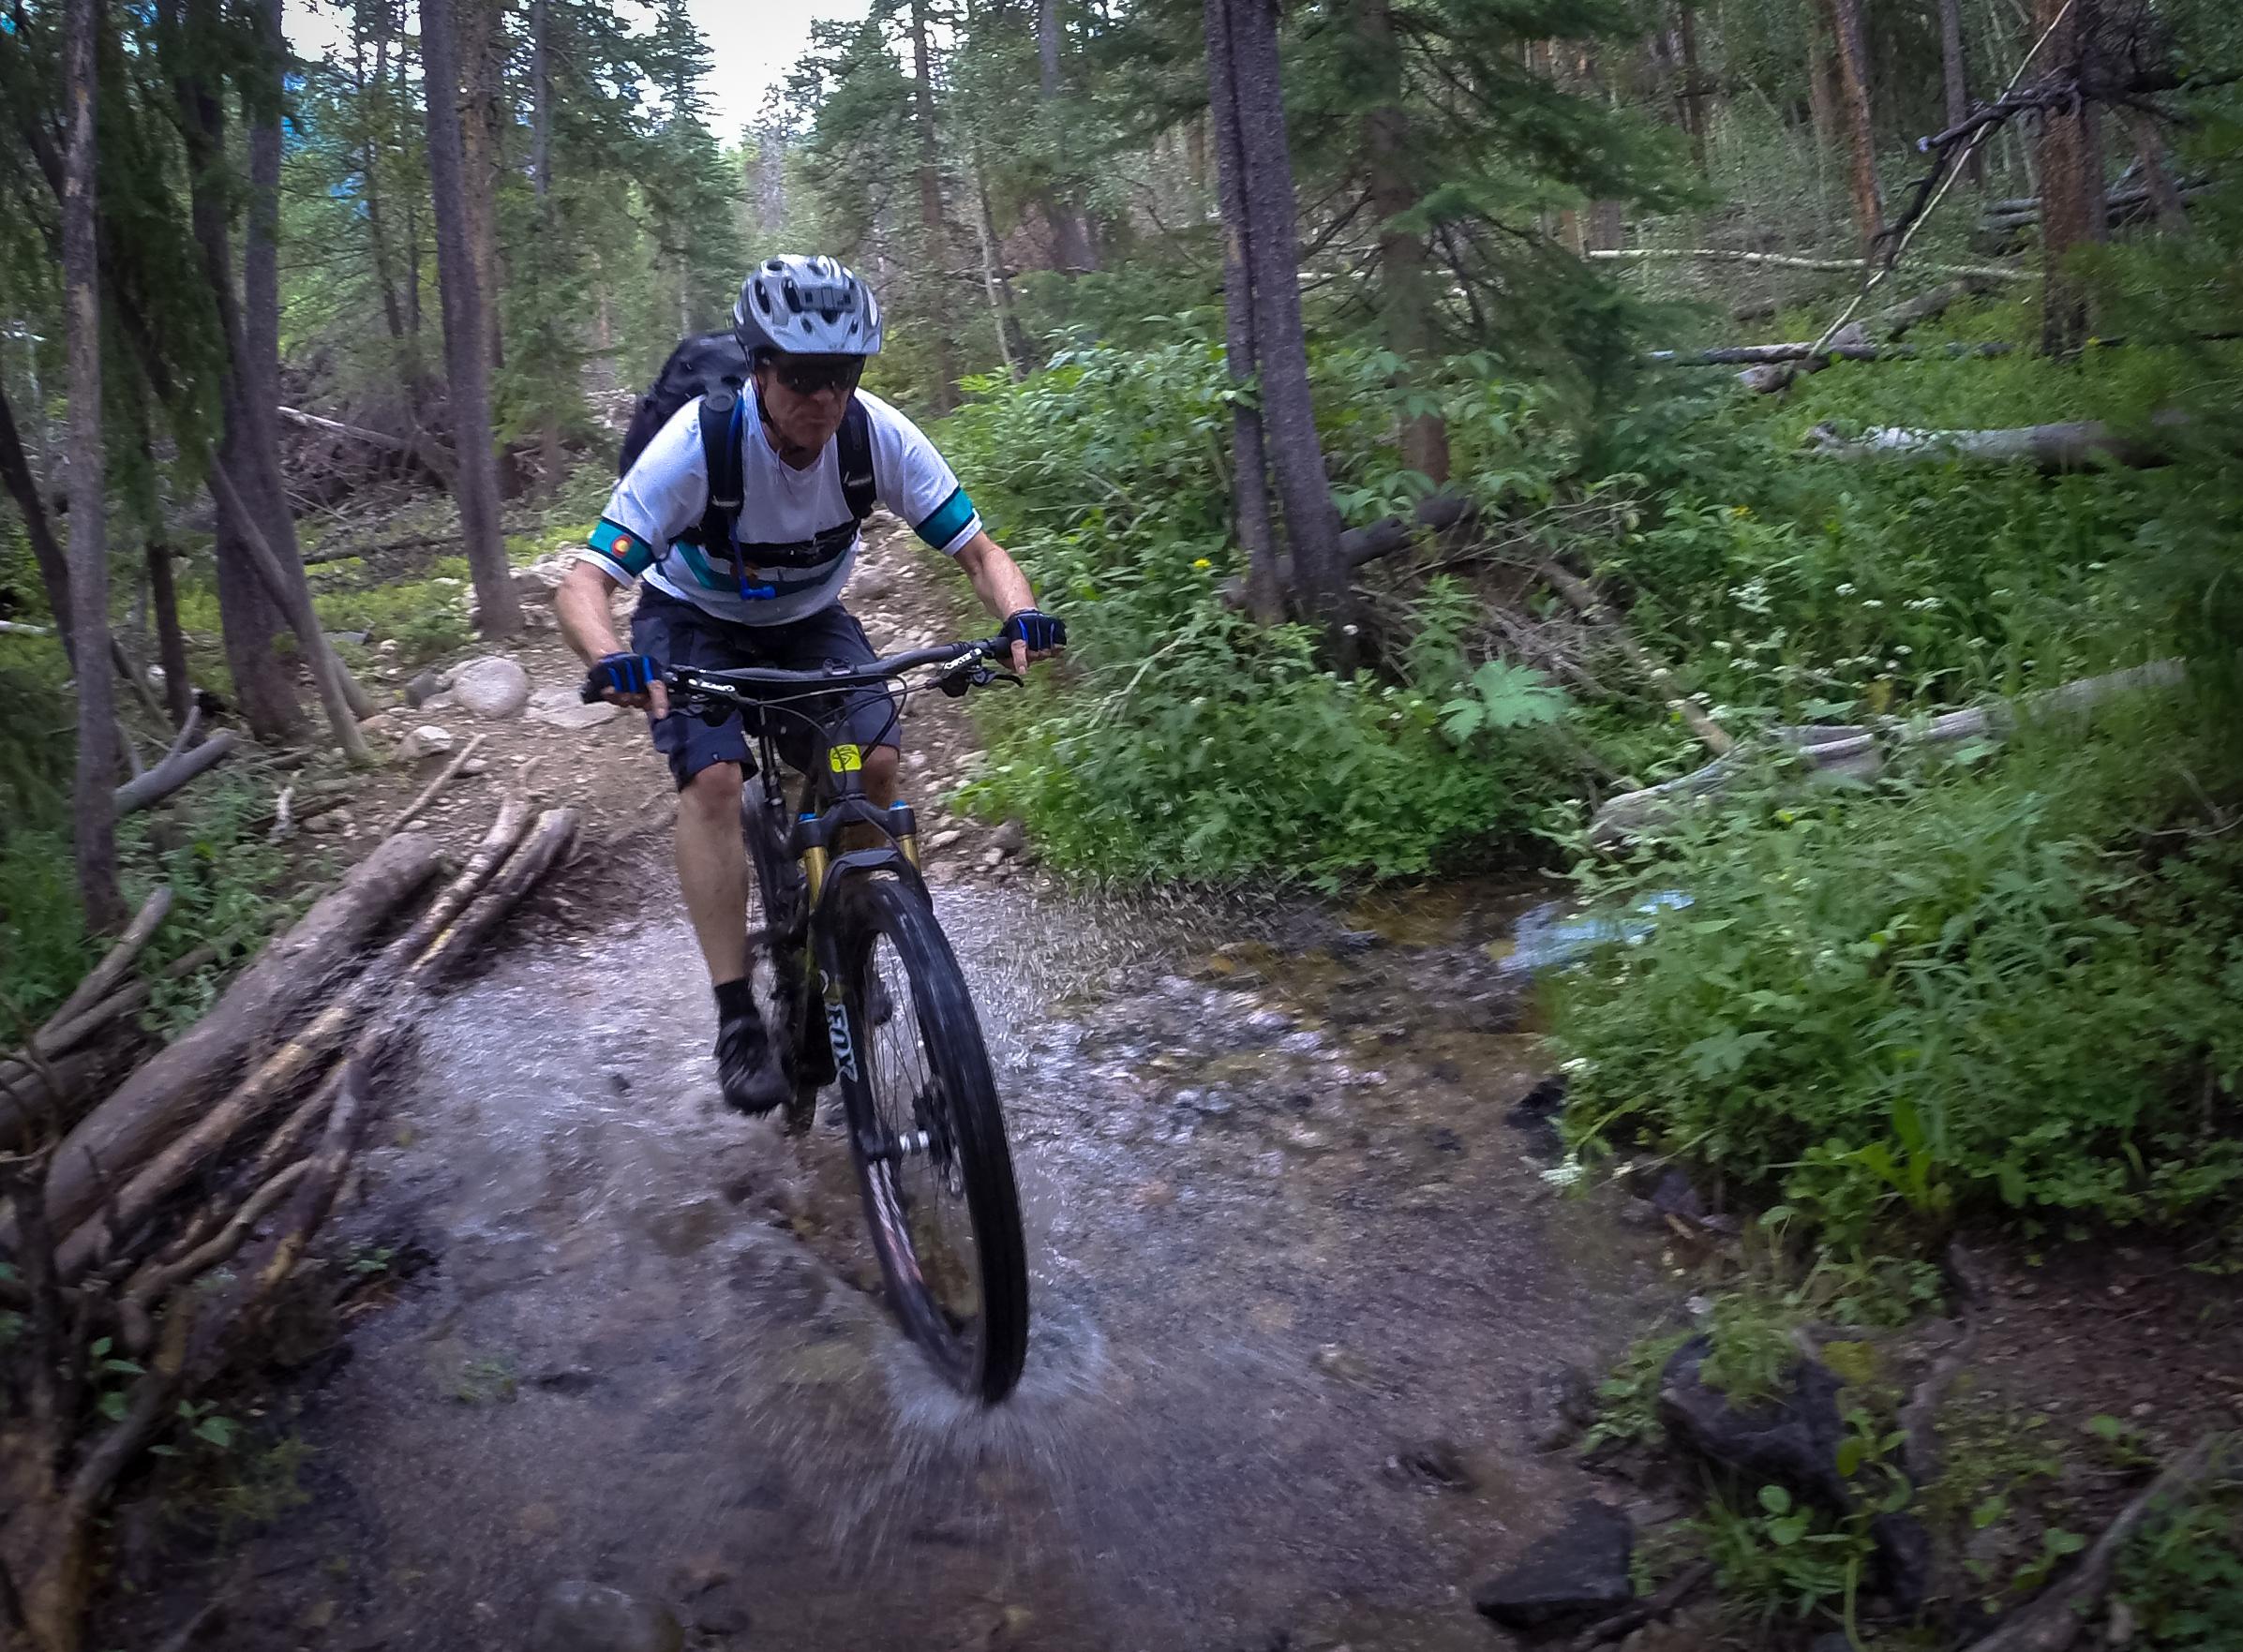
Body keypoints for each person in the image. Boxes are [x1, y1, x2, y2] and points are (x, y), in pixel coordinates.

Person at [555, 254, 1064, 1114]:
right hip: (693, 621)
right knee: (714, 780)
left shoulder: (875, 436)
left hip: (809, 622)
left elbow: (979, 552)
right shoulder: (699, 442)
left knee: (874, 766)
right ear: (760, 369)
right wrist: (610, 657)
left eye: (841, 375)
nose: (823, 398)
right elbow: (584, 581)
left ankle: (862, 929)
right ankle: (733, 1015)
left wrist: (1019, 618)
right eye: (801, 376)